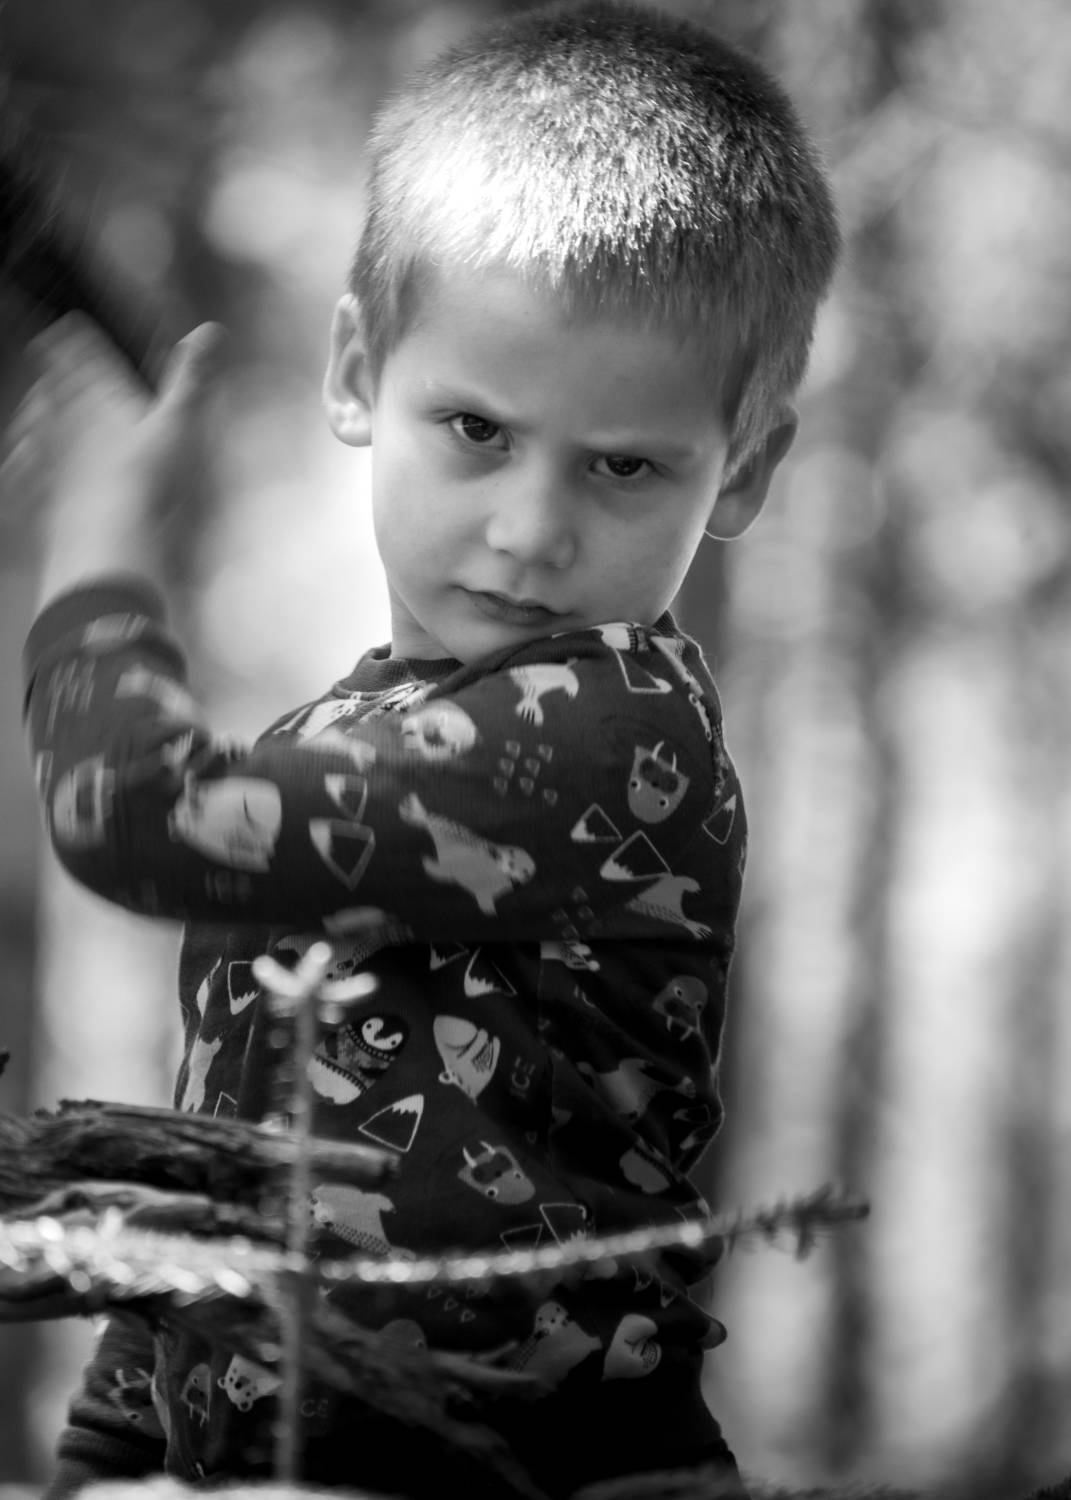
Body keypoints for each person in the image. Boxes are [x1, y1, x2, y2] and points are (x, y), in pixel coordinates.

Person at [19, 2, 839, 1495]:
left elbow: (130, 814)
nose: (531, 530)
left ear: (743, 471)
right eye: (475, 429)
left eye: (624, 465)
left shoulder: (614, 733)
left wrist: (95, 573)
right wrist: (112, 1444)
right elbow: (225, 1153)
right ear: (357, 374)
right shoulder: (328, 746)